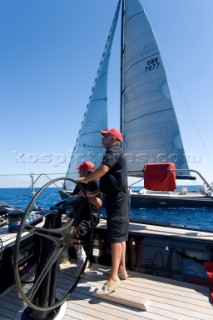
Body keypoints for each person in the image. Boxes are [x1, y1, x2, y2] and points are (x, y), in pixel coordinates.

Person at [77, 128, 130, 294]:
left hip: (118, 199)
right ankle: (121, 270)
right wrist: (94, 193)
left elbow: (104, 170)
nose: (102, 138)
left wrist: (86, 178)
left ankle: (113, 279)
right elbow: (110, 180)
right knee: (120, 236)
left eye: (105, 136)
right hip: (116, 196)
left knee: (116, 237)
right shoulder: (115, 151)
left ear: (113, 139)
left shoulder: (113, 151)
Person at [70, 161, 102, 276]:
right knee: (58, 225)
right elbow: (74, 198)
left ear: (88, 171)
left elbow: (99, 204)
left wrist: (88, 195)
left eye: (81, 170)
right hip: (78, 214)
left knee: (73, 232)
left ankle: (82, 259)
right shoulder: (80, 183)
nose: (79, 172)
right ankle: (63, 256)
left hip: (90, 215)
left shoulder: (96, 183)